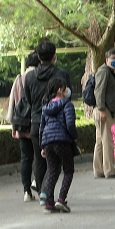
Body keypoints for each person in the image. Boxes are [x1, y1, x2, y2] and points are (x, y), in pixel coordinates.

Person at [21, 40, 73, 199]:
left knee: (40, 158)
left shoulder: (29, 77)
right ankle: (46, 192)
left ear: (38, 56)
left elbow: (27, 100)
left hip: (37, 122)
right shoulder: (62, 74)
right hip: (60, 123)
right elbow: (68, 95)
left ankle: (43, 193)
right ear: (54, 56)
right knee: (58, 163)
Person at [39, 77, 78, 212]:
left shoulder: (45, 107)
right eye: (66, 88)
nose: (68, 90)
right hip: (63, 141)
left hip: (48, 142)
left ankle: (49, 203)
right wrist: (75, 138)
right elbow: (70, 124)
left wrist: (42, 145)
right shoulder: (67, 105)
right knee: (68, 170)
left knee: (52, 171)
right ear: (60, 90)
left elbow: (42, 128)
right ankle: (61, 199)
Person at [5, 51, 40, 202]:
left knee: (26, 157)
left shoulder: (18, 79)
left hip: (22, 124)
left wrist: (12, 122)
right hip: (36, 124)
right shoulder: (39, 77)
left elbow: (12, 102)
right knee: (39, 156)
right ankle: (39, 186)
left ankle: (26, 191)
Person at [93, 48, 115, 179]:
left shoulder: (109, 72)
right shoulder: (104, 72)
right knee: (107, 140)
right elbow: (99, 91)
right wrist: (101, 109)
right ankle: (109, 170)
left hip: (102, 109)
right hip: (103, 110)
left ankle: (98, 170)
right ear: (107, 60)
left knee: (100, 141)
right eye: (113, 58)